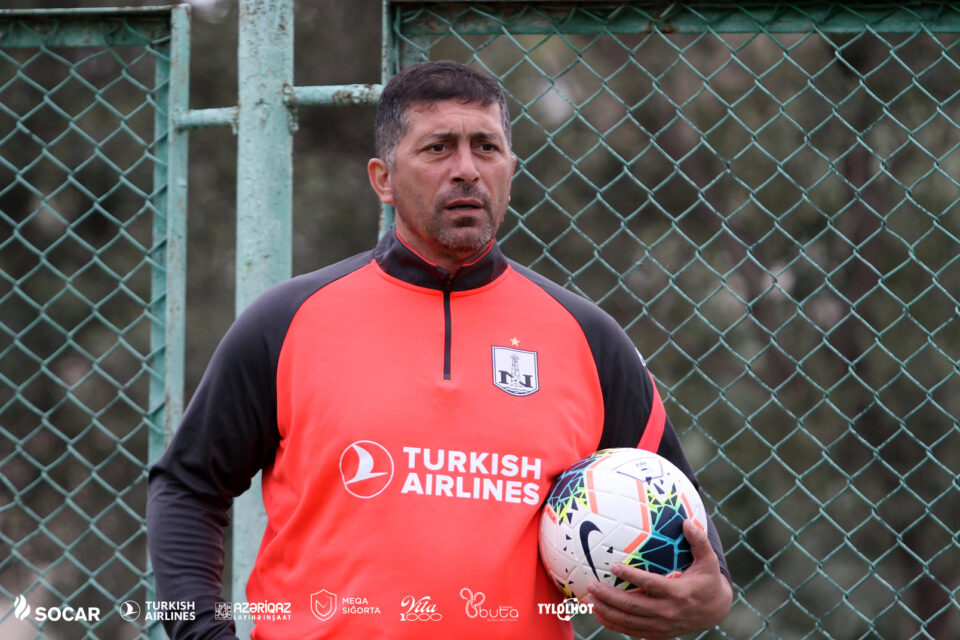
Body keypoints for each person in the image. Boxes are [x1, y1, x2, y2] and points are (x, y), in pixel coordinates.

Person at [147, 60, 732, 640]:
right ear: (382, 178)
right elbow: (187, 486)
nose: (467, 170)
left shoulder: (589, 337)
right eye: (438, 148)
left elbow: (679, 508)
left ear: (510, 170)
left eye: (487, 148)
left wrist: (711, 594)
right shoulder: (286, 322)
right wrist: (200, 634)